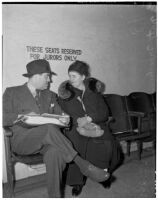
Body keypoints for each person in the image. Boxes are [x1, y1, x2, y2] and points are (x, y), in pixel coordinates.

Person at [3, 59, 110, 198]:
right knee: (48, 128)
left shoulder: (51, 95)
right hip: (23, 141)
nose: (50, 80)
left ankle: (55, 196)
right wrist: (21, 116)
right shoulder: (12, 92)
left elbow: (62, 117)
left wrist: (64, 119)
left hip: (48, 142)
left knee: (55, 153)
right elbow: (3, 117)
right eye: (47, 76)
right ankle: (83, 164)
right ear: (36, 76)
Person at [58, 60, 122, 196]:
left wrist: (90, 119)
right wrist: (76, 122)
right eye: (69, 76)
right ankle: (77, 182)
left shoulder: (94, 93)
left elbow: (105, 113)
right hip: (75, 128)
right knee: (75, 145)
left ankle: (103, 174)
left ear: (83, 77)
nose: (70, 79)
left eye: (74, 76)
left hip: (97, 125)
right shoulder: (66, 95)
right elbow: (62, 115)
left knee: (107, 142)